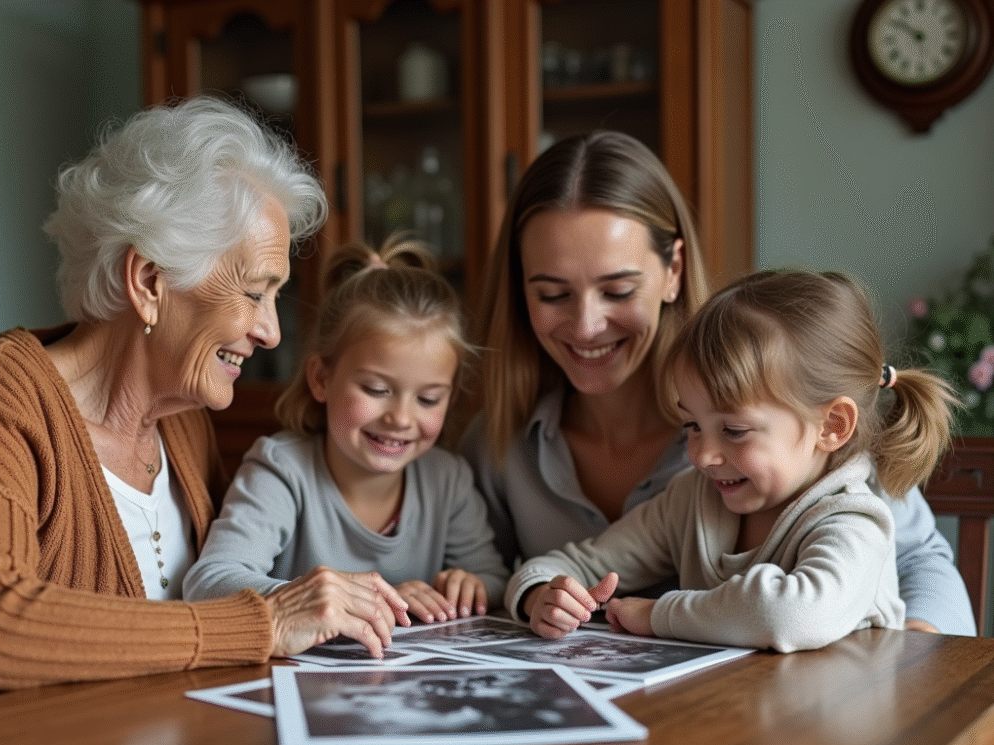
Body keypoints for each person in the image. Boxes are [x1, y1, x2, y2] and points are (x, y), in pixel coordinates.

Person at [0, 97, 409, 745]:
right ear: (149, 281)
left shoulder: (183, 421)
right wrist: (264, 624)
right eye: (255, 293)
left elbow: (243, 588)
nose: (272, 331)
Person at [459, 130, 976, 637]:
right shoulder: (502, 441)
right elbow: (484, 577)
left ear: (674, 269)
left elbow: (918, 562)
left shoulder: (793, 412)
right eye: (552, 295)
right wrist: (533, 594)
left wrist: (914, 651)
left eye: (617, 291)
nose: (586, 325)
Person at [507, 269, 959, 652]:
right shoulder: (689, 502)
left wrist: (658, 615)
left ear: (832, 426)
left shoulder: (854, 520)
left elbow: (789, 614)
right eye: (692, 425)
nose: (702, 455)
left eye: (734, 431)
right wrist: (541, 594)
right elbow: (577, 563)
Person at [183, 235, 509, 623]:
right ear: (321, 379)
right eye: (376, 390)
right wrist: (327, 597)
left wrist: (471, 585)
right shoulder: (282, 469)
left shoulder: (448, 479)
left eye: (428, 399)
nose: (401, 418)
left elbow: (494, 578)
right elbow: (210, 581)